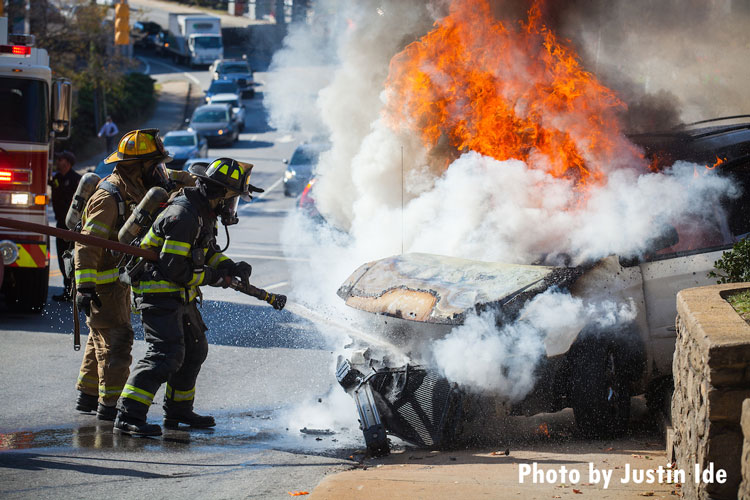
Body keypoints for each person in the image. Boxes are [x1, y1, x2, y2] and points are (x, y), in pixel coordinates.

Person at [113, 157, 262, 437]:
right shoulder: (183, 215)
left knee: (195, 349)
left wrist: (229, 266)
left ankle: (179, 410)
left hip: (180, 294)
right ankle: (128, 415)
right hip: (158, 293)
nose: (231, 207)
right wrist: (213, 277)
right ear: (218, 193)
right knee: (165, 354)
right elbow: (174, 268)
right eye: (231, 199)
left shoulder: (203, 211)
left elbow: (207, 251)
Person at [74, 129, 174, 421]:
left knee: (99, 337)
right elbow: (88, 242)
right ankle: (110, 407)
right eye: (154, 165)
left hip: (114, 283)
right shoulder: (109, 195)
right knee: (117, 341)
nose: (159, 171)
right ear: (136, 166)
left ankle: (87, 395)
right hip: (101, 285)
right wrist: (85, 286)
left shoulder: (135, 189)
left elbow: (177, 178)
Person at [50, 150, 82, 301]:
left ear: (68, 163)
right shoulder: (56, 178)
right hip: (59, 224)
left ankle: (74, 291)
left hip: (73, 227)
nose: (58, 163)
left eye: (60, 160)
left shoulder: (77, 180)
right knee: (62, 258)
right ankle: (67, 289)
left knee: (73, 259)